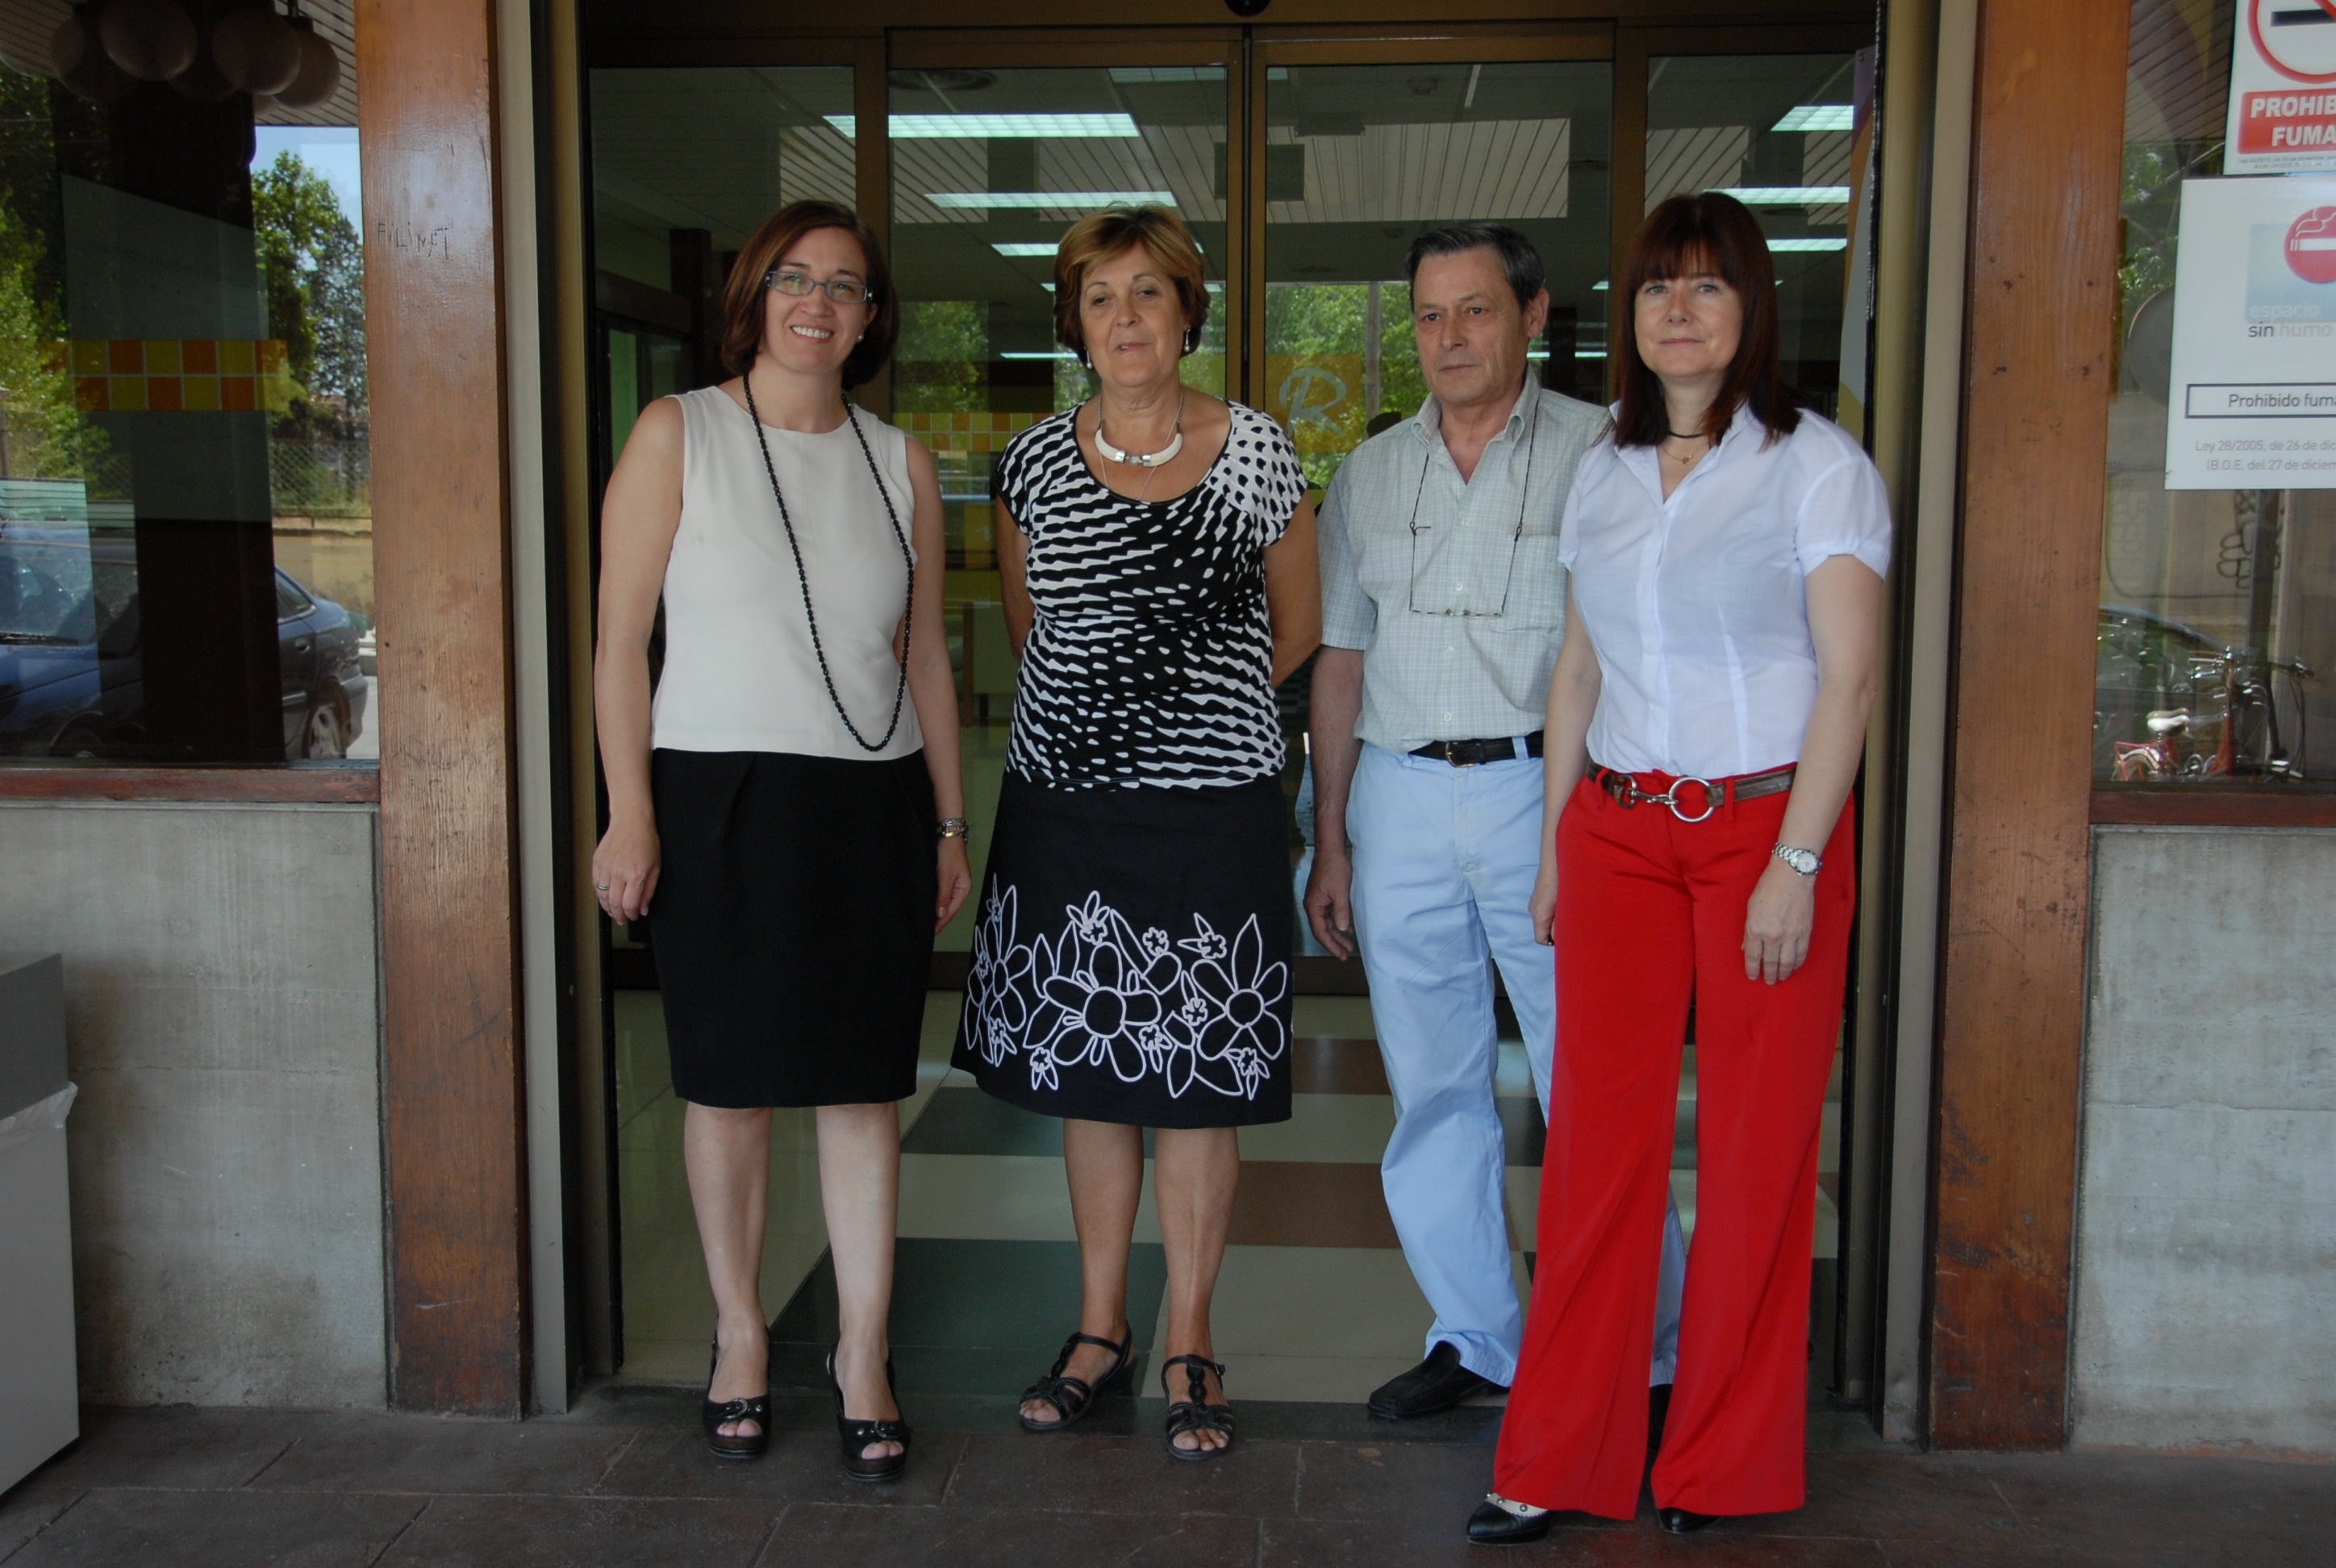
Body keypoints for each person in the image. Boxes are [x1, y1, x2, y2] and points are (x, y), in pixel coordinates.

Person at [1466, 193, 1889, 1545]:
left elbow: (1851, 679)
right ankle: (1559, 1453)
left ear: (1752, 306)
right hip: (1618, 833)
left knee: (1759, 1152)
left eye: (1707, 285)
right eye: (1657, 287)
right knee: (1596, 1151)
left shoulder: (1815, 466)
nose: (1679, 310)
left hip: (1769, 828)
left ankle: (1720, 1462)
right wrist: (1557, 844)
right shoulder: (1603, 469)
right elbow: (1578, 673)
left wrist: (1799, 861)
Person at [592, 199, 973, 1481]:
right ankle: (742, 1336)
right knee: (731, 1086)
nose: (819, 303)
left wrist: (947, 820)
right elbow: (618, 644)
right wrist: (630, 810)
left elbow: (923, 654)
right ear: (754, 297)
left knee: (864, 1089)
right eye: (795, 279)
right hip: (720, 795)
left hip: (871, 801)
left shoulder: (900, 459)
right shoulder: (678, 430)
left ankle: (862, 1351)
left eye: (846, 286)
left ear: (871, 320)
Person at [953, 204, 1321, 1462]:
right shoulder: (1030, 466)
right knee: (1089, 1072)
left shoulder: (1257, 452)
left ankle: (1192, 1336)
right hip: (1067, 809)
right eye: (1100, 296)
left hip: (1213, 811)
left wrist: (1187, 716)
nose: (1125, 318)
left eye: (1149, 292)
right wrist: (1114, 722)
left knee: (1201, 1080)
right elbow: (1032, 630)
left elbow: (1298, 626)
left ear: (1187, 312)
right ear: (1075, 320)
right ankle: (1100, 1327)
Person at [1305, 221, 1687, 1425]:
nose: (1450, 336)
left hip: (1552, 793)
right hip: (1399, 793)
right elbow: (1340, 661)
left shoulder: (1605, 452)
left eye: (1475, 309)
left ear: (1532, 316)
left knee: (1595, 1081)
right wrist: (1330, 834)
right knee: (1433, 1086)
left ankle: (1652, 1349)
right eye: (1430, 315)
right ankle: (1476, 1337)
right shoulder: (1370, 473)